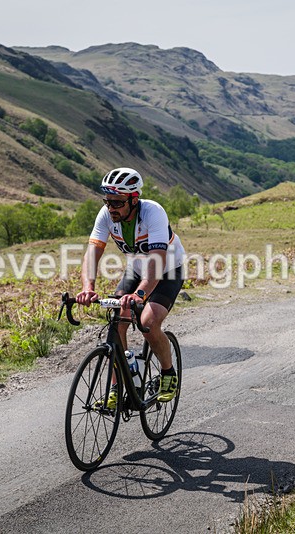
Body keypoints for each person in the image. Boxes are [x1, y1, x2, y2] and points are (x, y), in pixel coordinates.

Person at [76, 167, 185, 408]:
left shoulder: (153, 212)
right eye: (107, 201)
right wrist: (88, 287)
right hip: (136, 269)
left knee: (147, 323)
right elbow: (92, 253)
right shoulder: (106, 215)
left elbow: (157, 260)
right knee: (118, 319)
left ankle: (168, 374)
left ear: (133, 199)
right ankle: (119, 386)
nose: (110, 207)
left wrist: (140, 294)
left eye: (116, 202)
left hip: (167, 270)